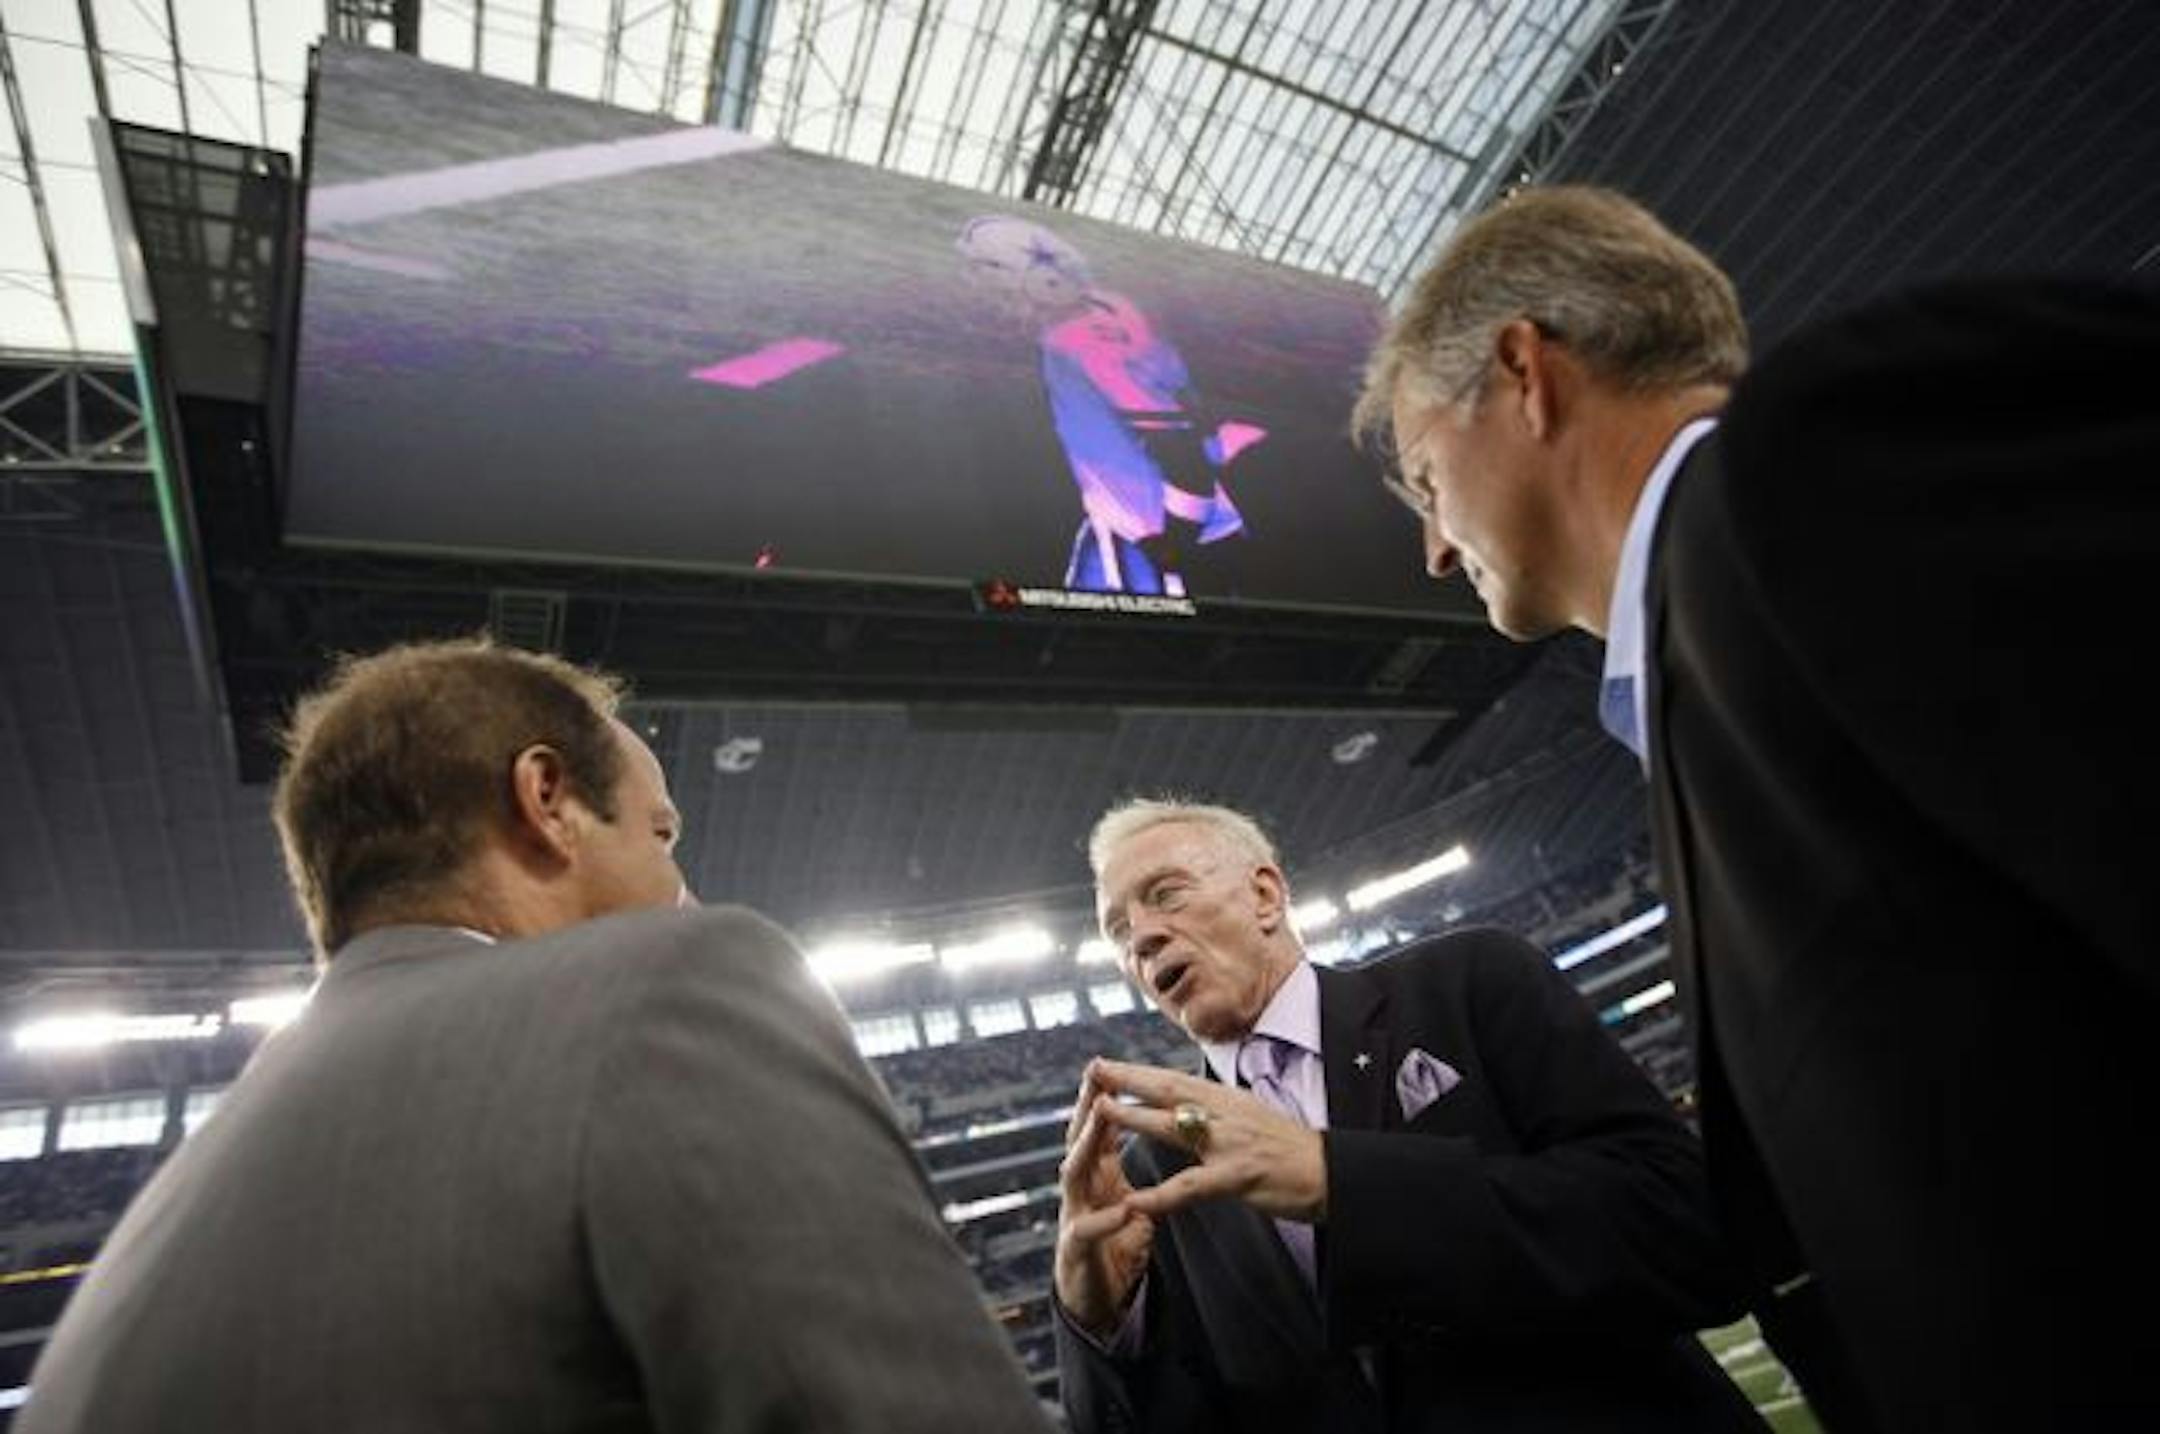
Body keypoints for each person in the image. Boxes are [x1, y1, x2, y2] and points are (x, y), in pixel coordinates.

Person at [1356, 185, 2160, 1430]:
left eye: (1422, 482)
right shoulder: (1703, 647)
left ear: (1524, 371)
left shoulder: (1816, 462)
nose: (1435, 549)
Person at [16, 638, 1050, 1433]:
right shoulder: (668, 986)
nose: (681, 887)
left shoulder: (141, 1253)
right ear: (546, 799)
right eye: (660, 833)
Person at [1053, 798, 1764, 1433]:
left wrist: (1342, 1182)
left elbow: (1689, 1229)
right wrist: (1104, 1328)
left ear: (1265, 895)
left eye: (1165, 894)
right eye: (1117, 930)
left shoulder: (1466, 983)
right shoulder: (1156, 1170)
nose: (1140, 937)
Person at [957, 214, 1258, 596]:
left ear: (1041, 280)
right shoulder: (1105, 317)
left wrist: (1175, 545)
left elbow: (1179, 448)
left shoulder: (1084, 343)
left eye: (992, 279)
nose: (988, 296)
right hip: (1137, 527)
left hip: (1163, 542)